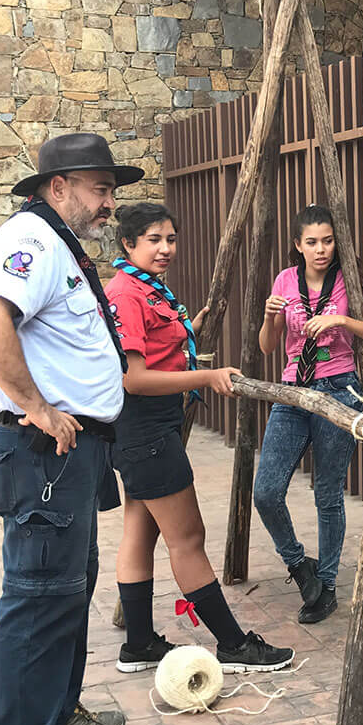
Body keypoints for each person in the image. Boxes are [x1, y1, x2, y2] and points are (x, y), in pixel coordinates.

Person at [0, 132, 140, 725]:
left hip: (71, 456)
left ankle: (58, 711)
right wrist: (36, 406)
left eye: (111, 191)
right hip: (43, 455)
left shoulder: (56, 245)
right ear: (58, 186)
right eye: (99, 189)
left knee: (69, 586)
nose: (108, 204)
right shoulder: (32, 241)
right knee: (38, 597)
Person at [103, 201, 294, 675]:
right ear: (128, 244)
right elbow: (135, 378)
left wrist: (188, 331)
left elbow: (156, 348)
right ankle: (232, 645)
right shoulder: (125, 292)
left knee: (139, 531)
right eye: (153, 240)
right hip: (144, 427)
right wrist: (205, 378)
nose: (165, 248)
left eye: (170, 238)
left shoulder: (145, 287)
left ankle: (140, 644)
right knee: (188, 538)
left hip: (143, 429)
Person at [253, 204, 363, 623]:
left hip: (339, 390)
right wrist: (270, 317)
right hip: (294, 390)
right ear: (298, 245)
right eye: (312, 242)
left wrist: (343, 319)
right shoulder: (284, 281)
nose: (321, 249)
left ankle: (326, 585)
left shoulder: (348, 280)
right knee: (266, 491)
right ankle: (300, 566)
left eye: (327, 241)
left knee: (327, 494)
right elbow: (267, 346)